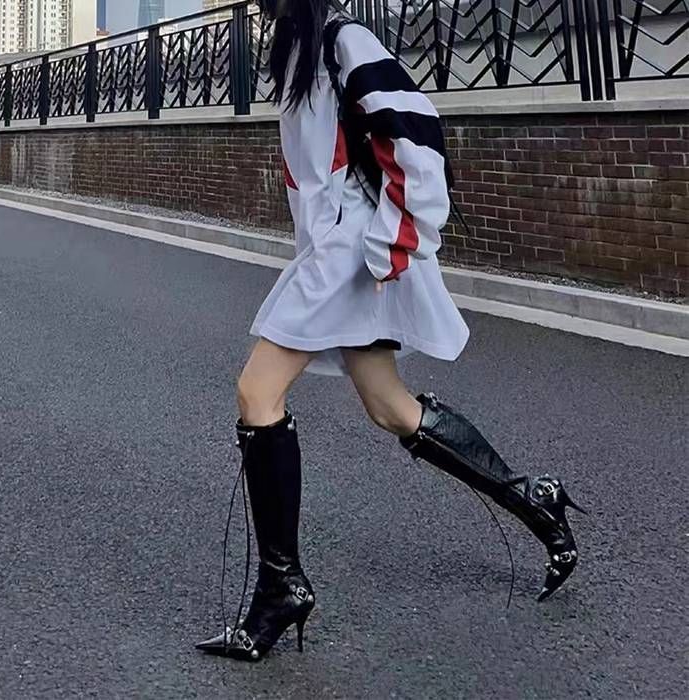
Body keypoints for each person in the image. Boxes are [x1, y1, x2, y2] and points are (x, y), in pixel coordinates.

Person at [197, 0, 584, 662]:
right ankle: (535, 499)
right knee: (391, 407)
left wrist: (395, 243)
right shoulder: (299, 49)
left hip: (350, 253)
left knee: (257, 392)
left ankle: (282, 588)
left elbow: (417, 133)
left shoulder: (344, 39)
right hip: (334, 250)